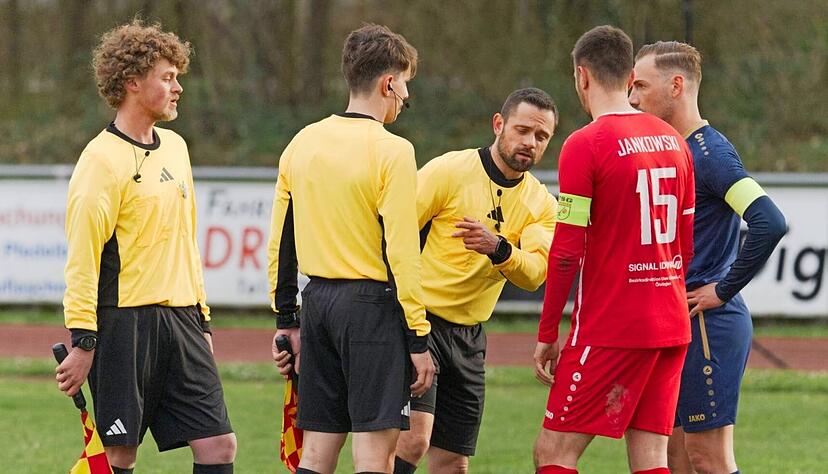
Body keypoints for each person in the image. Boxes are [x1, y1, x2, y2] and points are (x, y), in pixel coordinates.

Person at [55, 20, 236, 474]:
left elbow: (186, 240)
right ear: (133, 82)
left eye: (178, 77)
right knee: (120, 454)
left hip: (183, 321)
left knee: (219, 445)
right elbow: (83, 258)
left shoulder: (176, 147)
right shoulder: (99, 161)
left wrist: (201, 319)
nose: (178, 88)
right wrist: (83, 340)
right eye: (167, 77)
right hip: (123, 325)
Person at [269, 24, 435, 474]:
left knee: (316, 453)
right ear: (388, 83)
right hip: (372, 309)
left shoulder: (302, 141)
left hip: (317, 304)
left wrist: (287, 320)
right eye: (405, 85)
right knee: (375, 456)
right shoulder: (393, 151)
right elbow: (401, 252)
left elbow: (281, 241)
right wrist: (418, 338)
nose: (406, 96)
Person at [532, 25, 696, 474]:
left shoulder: (585, 144)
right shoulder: (674, 142)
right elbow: (685, 244)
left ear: (581, 76)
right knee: (650, 458)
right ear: (629, 78)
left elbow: (566, 251)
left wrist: (547, 332)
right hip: (670, 324)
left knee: (553, 453)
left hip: (612, 327)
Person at [629, 41, 787, 474]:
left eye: (641, 86)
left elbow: (769, 221)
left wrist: (723, 289)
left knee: (707, 457)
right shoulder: (671, 150)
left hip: (707, 324)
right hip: (675, 322)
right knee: (674, 457)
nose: (632, 98)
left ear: (676, 85)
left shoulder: (710, 154)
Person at [393, 88, 559, 474]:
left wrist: (498, 248)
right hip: (419, 322)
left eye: (541, 136)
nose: (530, 142)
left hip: (469, 338)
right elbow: (395, 233)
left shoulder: (541, 203)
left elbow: (535, 274)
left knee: (453, 461)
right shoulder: (450, 170)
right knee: (414, 439)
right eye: (522, 130)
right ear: (498, 124)